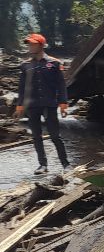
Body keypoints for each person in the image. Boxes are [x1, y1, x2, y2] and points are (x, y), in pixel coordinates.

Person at [14, 34, 69, 174]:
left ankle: (66, 164)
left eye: (33, 44)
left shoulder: (54, 63)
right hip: (32, 106)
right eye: (29, 44)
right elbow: (22, 87)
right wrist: (20, 105)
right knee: (36, 136)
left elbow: (61, 85)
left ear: (41, 45)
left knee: (55, 136)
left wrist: (63, 103)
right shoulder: (25, 65)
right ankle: (42, 165)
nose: (30, 47)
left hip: (49, 104)